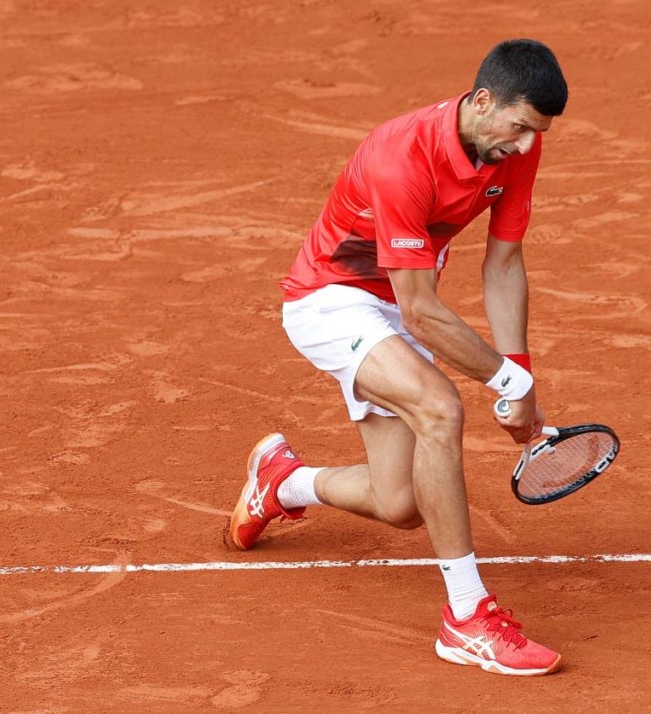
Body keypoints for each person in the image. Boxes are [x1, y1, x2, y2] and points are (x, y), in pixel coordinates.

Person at [228, 39, 569, 677]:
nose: (526, 146)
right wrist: (505, 380)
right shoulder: (400, 156)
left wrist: (520, 368)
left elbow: (505, 262)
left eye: (537, 133)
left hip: (397, 305)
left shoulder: (514, 146)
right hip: (332, 300)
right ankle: (466, 618)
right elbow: (418, 311)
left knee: (403, 504)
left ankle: (285, 481)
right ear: (484, 100)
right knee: (440, 409)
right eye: (521, 128)